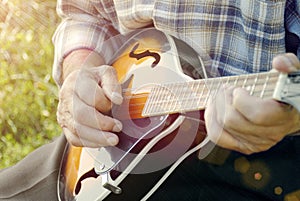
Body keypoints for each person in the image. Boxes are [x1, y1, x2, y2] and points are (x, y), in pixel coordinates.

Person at [0, 0, 299, 200]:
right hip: (111, 142)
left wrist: (294, 115)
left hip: (261, 165)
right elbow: (84, 13)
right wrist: (79, 71)